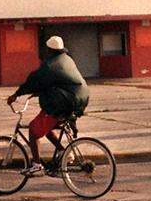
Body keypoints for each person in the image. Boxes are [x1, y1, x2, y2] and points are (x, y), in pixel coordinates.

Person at [6, 35, 89, 176]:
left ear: (49, 50)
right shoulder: (67, 59)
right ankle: (64, 152)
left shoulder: (50, 64)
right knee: (46, 126)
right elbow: (60, 81)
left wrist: (16, 95)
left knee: (33, 129)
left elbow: (34, 80)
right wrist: (40, 92)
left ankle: (37, 165)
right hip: (80, 99)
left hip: (64, 102)